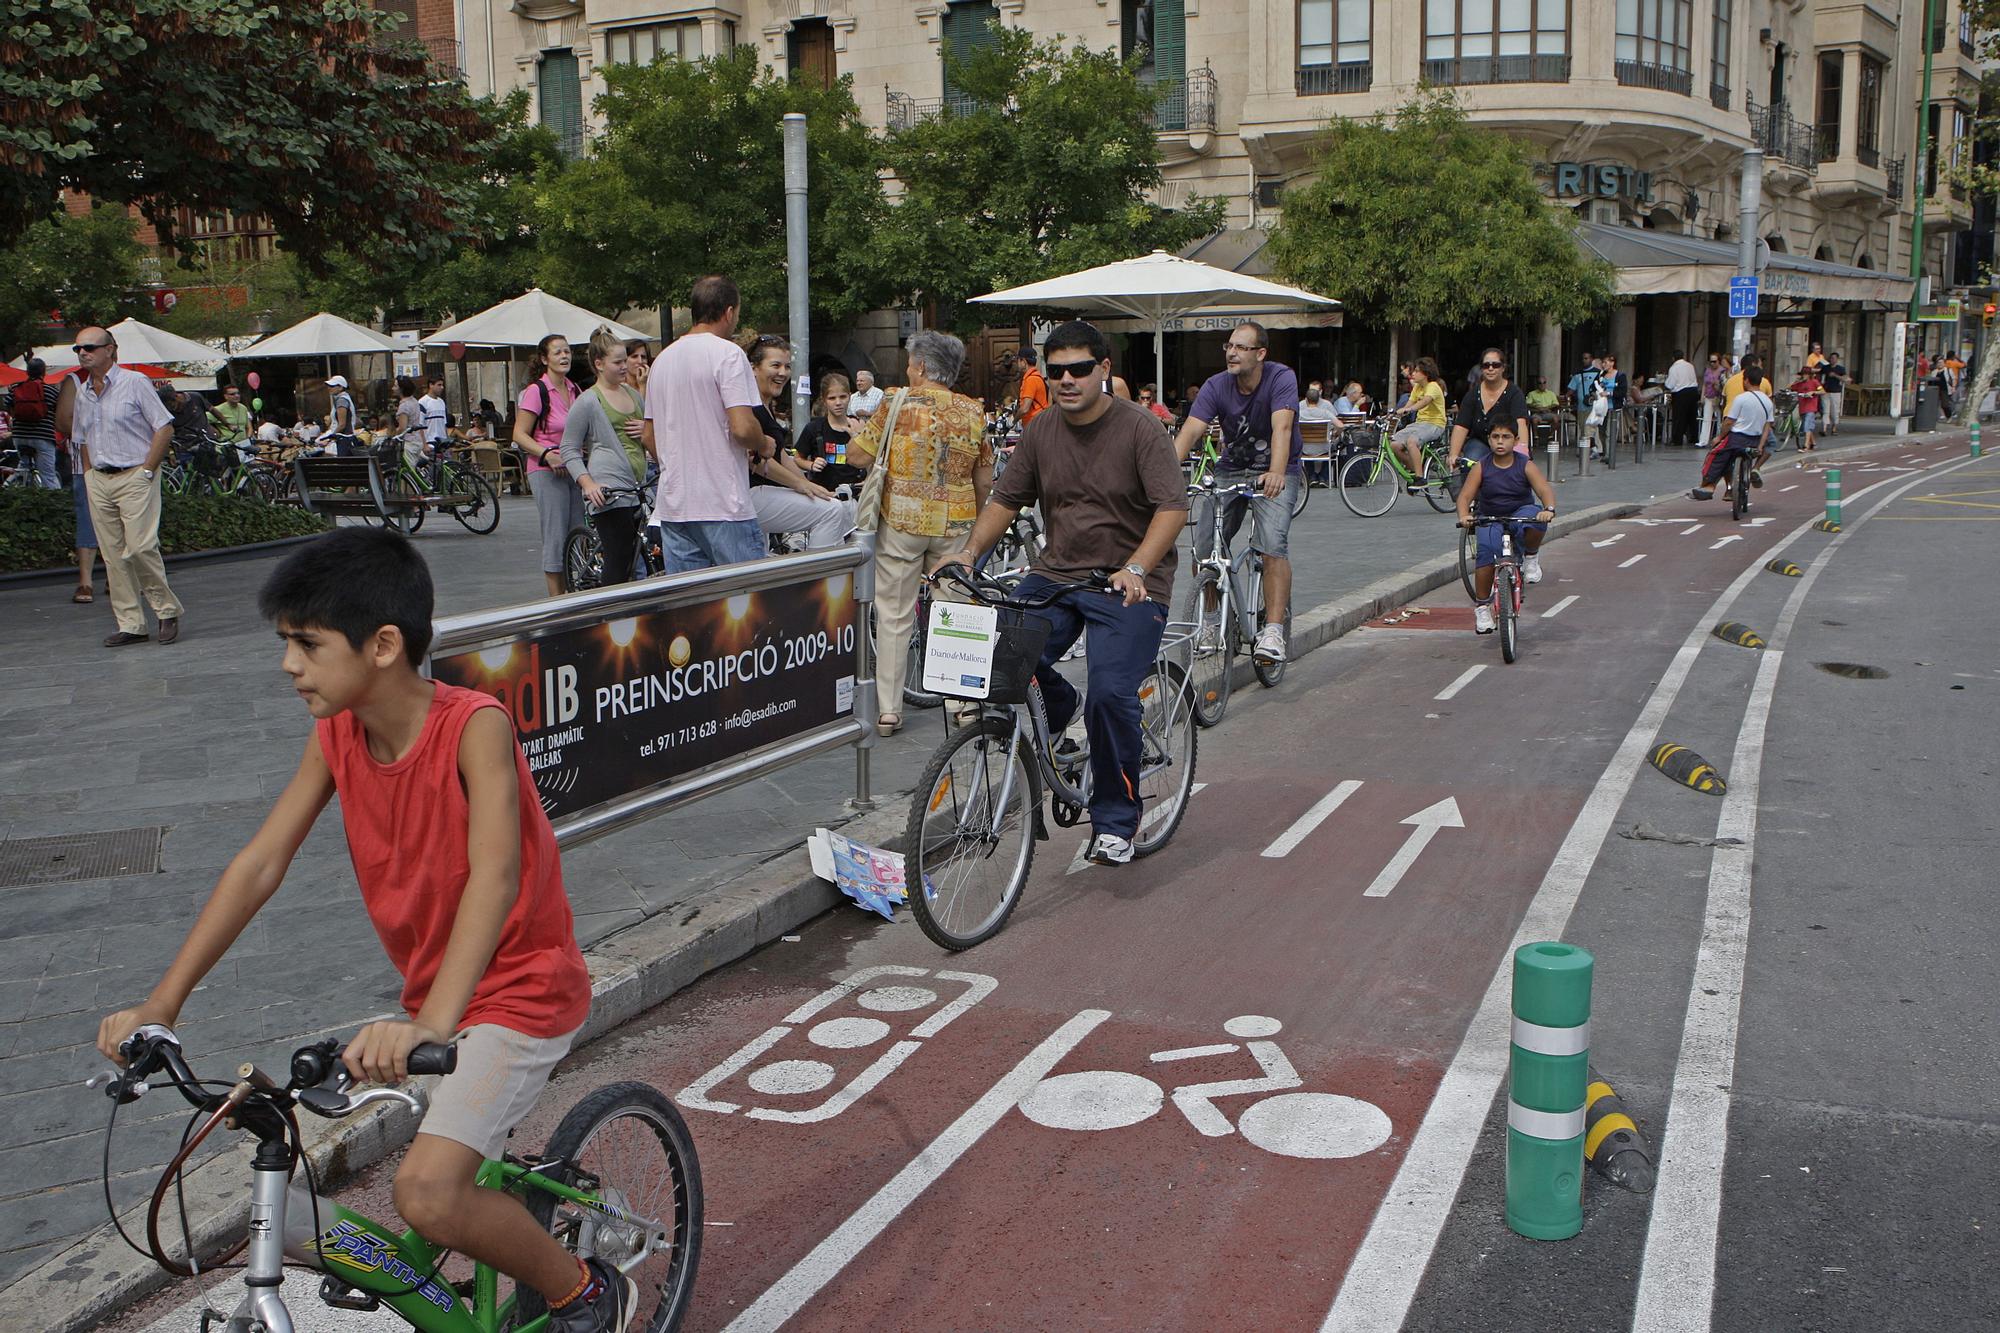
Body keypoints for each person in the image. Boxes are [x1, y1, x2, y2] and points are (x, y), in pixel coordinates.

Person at [92, 529, 628, 1333]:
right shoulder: (338, 731)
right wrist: (161, 1002)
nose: (288, 665)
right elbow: (261, 862)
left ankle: (582, 1290)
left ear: (383, 645)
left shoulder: (473, 724)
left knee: (427, 1192)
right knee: (399, 1190)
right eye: (286, 643)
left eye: (306, 644)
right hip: (434, 1002)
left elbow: (496, 876)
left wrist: (434, 1023)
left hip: (518, 993)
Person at [936, 320, 1185, 866]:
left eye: (1078, 369)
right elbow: (1005, 499)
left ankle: (1117, 820)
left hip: (1129, 584)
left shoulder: (1141, 429)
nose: (1067, 380)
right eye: (1056, 372)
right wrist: (967, 553)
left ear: (1104, 370)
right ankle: (1059, 702)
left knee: (1111, 694)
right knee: (1001, 654)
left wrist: (1138, 566)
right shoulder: (1042, 429)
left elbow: (1172, 508)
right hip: (1056, 574)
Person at [849, 329, 993, 734]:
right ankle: (963, 702)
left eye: (912, 362)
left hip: (903, 521)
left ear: (923, 366)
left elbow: (858, 454)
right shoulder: (972, 411)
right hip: (957, 523)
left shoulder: (895, 401)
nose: (908, 369)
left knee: (894, 613)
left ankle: (890, 710)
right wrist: (976, 521)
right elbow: (984, 479)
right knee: (958, 610)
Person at [1172, 320, 1301, 664]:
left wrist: (1275, 471)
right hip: (1231, 469)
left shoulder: (1280, 377)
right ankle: (1213, 622)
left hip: (1276, 469)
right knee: (1203, 549)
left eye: (1241, 347)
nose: (1231, 352)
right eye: (1229, 346)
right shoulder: (1216, 385)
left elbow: (1282, 426)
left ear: (1261, 354)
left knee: (1273, 545)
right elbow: (1191, 431)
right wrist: (1165, 475)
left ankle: (1273, 630)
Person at [642, 275, 768, 573]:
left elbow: (648, 435)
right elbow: (742, 428)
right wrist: (764, 443)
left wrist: (678, 464)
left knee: (692, 611)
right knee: (746, 604)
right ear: (728, 312)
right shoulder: (728, 354)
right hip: (723, 504)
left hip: (675, 506)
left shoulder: (663, 359)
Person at [71, 327, 185, 647]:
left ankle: (166, 609)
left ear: (111, 349)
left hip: (136, 473)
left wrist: (148, 469)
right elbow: (81, 437)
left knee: (138, 547)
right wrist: (89, 472)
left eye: (90, 347)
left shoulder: (134, 383)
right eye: (78, 348)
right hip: (99, 478)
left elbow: (163, 427)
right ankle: (131, 623)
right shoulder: (83, 391)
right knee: (112, 555)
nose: (83, 353)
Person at [744, 336, 851, 551]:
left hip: (760, 493)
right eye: (775, 365)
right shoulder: (748, 406)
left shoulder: (765, 405)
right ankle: (820, 579)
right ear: (754, 368)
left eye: (787, 366)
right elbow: (755, 459)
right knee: (832, 510)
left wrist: (809, 484)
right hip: (749, 494)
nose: (783, 373)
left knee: (759, 565)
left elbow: (780, 454)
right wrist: (800, 484)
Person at [560, 327, 648, 587]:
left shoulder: (633, 394)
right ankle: (611, 614)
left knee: (641, 552)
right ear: (599, 364)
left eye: (625, 361)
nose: (625, 367)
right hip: (609, 487)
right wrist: (588, 483)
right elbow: (569, 448)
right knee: (618, 557)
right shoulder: (588, 401)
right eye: (618, 362)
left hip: (638, 484)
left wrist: (646, 429)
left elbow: (650, 435)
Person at [1455, 421, 1556, 634]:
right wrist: (1464, 515)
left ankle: (1530, 558)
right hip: (1490, 516)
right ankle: (1482, 608)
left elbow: (1543, 488)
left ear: (1516, 440)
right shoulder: (1482, 466)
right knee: (1486, 554)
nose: (1500, 441)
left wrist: (1549, 508)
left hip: (1520, 512)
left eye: (1506, 436)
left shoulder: (1525, 464)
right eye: (1495, 437)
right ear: (1489, 440)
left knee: (1536, 518)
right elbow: (1465, 496)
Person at [513, 335, 588, 598]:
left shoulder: (575, 389)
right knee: (556, 536)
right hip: (546, 470)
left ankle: (573, 594)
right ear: (545, 359)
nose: (564, 356)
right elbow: (519, 434)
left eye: (567, 351)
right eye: (557, 352)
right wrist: (547, 454)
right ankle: (556, 601)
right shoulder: (538, 391)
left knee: (577, 533)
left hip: (573, 468)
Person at [1691, 366, 1775, 503]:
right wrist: (1760, 446)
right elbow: (1767, 426)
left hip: (1737, 438)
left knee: (1716, 455)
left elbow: (1729, 422)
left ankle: (1709, 485)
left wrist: (1719, 437)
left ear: (1746, 380)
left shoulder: (1741, 399)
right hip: (1755, 441)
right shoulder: (1767, 402)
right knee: (1728, 455)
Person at [1446, 347, 1532, 469]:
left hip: (1507, 442)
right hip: (1480, 441)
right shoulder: (1472, 394)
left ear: (1503, 367)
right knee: (1469, 463)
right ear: (1481, 369)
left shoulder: (1514, 393)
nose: (1490, 368)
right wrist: (1453, 454)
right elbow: (1461, 425)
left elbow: (1521, 423)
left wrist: (1522, 450)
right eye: (1486, 365)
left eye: (1495, 365)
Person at [796, 370, 871, 491]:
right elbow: (797, 457)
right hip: (825, 495)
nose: (838, 403)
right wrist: (811, 465)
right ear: (824, 400)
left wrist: (858, 436)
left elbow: (872, 460)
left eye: (843, 397)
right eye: (832, 398)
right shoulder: (814, 428)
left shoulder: (860, 425)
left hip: (855, 493)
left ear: (849, 396)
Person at [5, 356, 60, 488]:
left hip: (19, 436)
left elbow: (8, 405)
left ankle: (8, 487)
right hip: (43, 436)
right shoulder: (52, 391)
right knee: (47, 476)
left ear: (27, 372)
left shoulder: (15, 389)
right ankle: (54, 505)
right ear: (44, 372)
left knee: (23, 467)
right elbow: (59, 412)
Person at [1390, 357, 1448, 477]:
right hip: (1419, 424)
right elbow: (1410, 402)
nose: (1413, 374)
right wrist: (1398, 412)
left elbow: (1425, 401)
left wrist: (1410, 409)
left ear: (1425, 373)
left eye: (1416, 371)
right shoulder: (1417, 387)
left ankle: (1420, 478)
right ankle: (1415, 468)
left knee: (1412, 441)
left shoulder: (1433, 386)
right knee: (1394, 444)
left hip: (1435, 424)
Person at [1664, 349, 1700, 446]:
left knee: (1679, 417)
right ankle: (1694, 437)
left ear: (1673, 358)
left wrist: (1665, 383)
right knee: (1692, 416)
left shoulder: (1673, 368)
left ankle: (1677, 439)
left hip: (1681, 393)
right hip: (1693, 391)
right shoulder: (1690, 366)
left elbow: (1670, 384)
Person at [394, 375, 428, 465]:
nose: (393, 388)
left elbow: (402, 427)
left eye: (395, 386)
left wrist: (392, 435)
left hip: (409, 443)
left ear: (401, 389)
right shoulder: (414, 401)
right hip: (417, 440)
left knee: (408, 473)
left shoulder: (404, 406)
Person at [207, 382, 252, 450]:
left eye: (238, 393)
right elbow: (202, 419)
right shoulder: (218, 409)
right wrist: (215, 431)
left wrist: (248, 438)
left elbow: (249, 427)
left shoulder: (243, 408)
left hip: (243, 446)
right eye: (232, 394)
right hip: (227, 447)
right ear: (226, 396)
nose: (236, 396)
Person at [1788, 365, 1822, 453]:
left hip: (1811, 407)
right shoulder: (1799, 384)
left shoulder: (1814, 382)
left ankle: (1806, 445)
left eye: (1806, 374)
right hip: (1802, 407)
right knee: (1806, 426)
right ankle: (1813, 443)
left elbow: (1822, 391)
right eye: (1803, 374)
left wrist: (1813, 392)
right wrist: (1795, 382)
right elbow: (1789, 388)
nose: (1804, 376)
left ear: (1809, 375)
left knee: (1807, 425)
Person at [324, 375, 360, 456]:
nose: (329, 388)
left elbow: (342, 425)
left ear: (340, 387)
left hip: (344, 440)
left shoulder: (341, 401)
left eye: (332, 386)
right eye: (329, 386)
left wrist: (331, 437)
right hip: (346, 439)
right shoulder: (343, 399)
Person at [1013, 347, 1049, 424]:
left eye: (1018, 360)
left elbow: (1025, 409)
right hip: (1039, 422)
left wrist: (1013, 421)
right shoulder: (1036, 377)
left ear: (1024, 361)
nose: (1017, 363)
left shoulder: (1031, 380)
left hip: (1034, 424)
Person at [1700, 353, 1726, 445]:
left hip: (1717, 397)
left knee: (1719, 418)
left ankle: (1719, 438)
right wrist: (1702, 396)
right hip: (1708, 396)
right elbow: (1704, 384)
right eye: (1711, 361)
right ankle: (1703, 440)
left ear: (1718, 361)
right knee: (1706, 418)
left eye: (1714, 361)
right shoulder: (1707, 371)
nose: (1712, 364)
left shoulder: (1722, 371)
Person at [418, 375, 450, 450]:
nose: (442, 387)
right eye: (439, 385)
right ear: (431, 385)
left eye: (442, 385)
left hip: (442, 442)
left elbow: (444, 424)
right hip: (430, 442)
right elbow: (419, 426)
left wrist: (447, 441)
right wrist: (424, 444)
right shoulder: (422, 402)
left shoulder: (441, 402)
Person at [1819, 350, 1846, 435]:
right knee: (1825, 410)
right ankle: (1824, 428)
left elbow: (1844, 379)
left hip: (1836, 392)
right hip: (1826, 392)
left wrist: (1835, 375)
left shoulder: (1841, 369)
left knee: (1835, 411)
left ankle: (1834, 428)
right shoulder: (1825, 368)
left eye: (1834, 358)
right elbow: (1821, 378)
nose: (1832, 360)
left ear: (1837, 359)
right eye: (1831, 358)